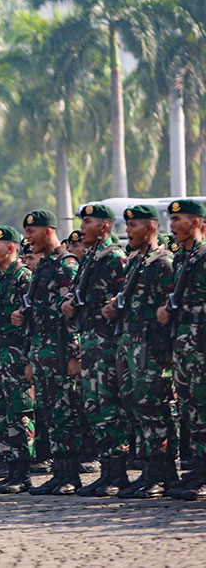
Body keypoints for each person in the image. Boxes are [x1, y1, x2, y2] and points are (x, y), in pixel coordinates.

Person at [101, 205, 177, 498]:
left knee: (153, 407)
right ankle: (149, 471)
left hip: (151, 346)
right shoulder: (136, 262)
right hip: (129, 343)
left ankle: (163, 472)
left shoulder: (163, 263)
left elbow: (169, 306)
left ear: (149, 228)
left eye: (133, 226)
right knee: (135, 406)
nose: (127, 231)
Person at [13, 209, 83, 496]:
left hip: (61, 351)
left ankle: (71, 475)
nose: (27, 238)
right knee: (51, 413)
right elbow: (36, 311)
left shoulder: (66, 265)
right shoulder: (43, 267)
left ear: (48, 231)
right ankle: (59, 472)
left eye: (31, 231)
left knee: (66, 413)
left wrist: (74, 355)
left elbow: (73, 314)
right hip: (42, 351)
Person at [62, 204, 127, 496]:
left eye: (87, 222)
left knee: (110, 406)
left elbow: (125, 296)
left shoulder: (115, 257)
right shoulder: (90, 257)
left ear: (104, 226)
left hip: (107, 342)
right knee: (95, 408)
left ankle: (119, 472)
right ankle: (107, 470)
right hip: (89, 342)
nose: (81, 227)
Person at [155, 199, 206, 500]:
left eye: (179, 220)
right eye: (171, 220)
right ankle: (198, 468)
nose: (172, 226)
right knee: (190, 409)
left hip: (201, 343)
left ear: (197, 223)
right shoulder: (183, 259)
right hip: (184, 343)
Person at [0, 226, 35, 494]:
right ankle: (10, 468)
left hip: (16, 355)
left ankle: (23, 472)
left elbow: (31, 322)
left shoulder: (23, 277)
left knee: (19, 412)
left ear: (10, 248)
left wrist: (28, 361)